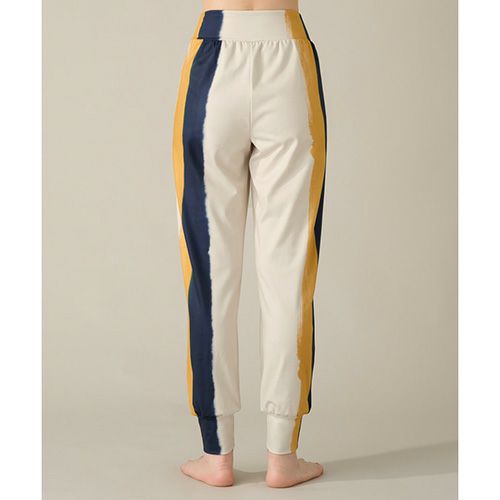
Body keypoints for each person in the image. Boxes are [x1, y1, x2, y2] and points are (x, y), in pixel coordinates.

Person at [172, 0, 327, 488]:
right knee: (289, 270)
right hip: (288, 53)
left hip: (214, 57)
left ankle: (216, 454)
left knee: (210, 272)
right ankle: (283, 455)